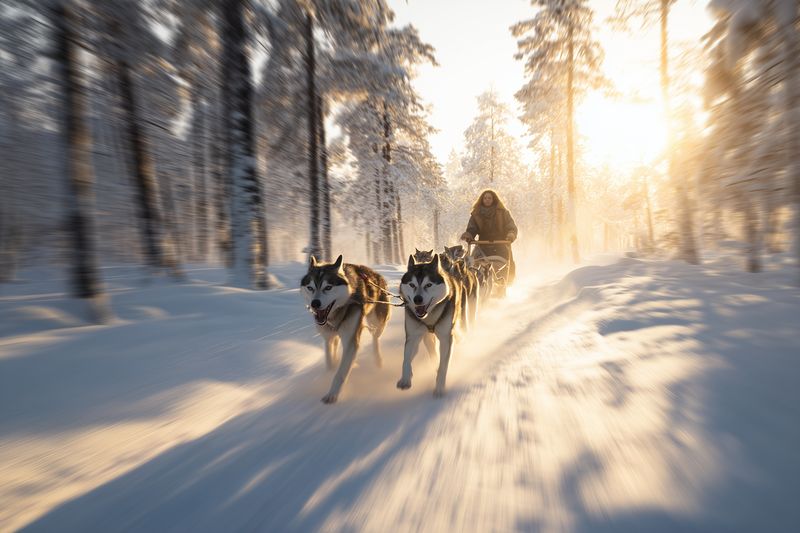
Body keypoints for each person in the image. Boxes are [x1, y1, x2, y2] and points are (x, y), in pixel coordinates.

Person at [460, 189, 518, 283]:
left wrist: (511, 234)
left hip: (501, 245)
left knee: (504, 266)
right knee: (474, 264)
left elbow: (510, 226)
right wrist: (469, 235)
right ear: (482, 200)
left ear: (493, 199)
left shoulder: (503, 212)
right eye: (485, 198)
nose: (487, 200)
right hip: (483, 246)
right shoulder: (476, 214)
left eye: (489, 198)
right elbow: (472, 228)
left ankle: (503, 283)